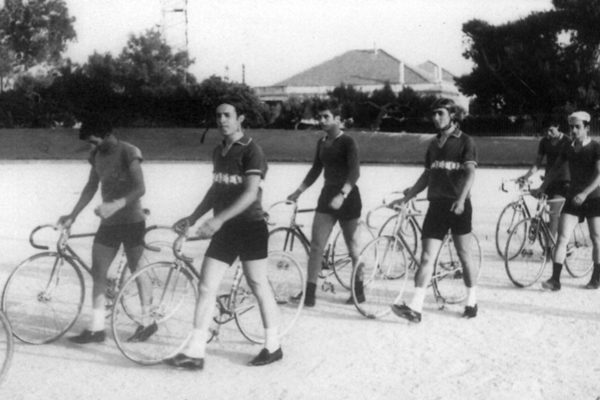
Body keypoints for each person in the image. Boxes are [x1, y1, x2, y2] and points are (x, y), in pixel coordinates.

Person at [164, 100, 281, 371]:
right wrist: (193, 218)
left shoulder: (252, 150)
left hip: (250, 226)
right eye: (218, 116)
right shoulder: (219, 150)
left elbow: (251, 193)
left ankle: (273, 345)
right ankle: (195, 352)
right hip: (225, 230)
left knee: (258, 284)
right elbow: (215, 190)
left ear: (240, 118)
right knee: (206, 286)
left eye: (227, 115)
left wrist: (217, 219)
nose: (222, 120)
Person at [58, 115, 154, 344]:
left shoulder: (129, 151)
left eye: (95, 141)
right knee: (98, 271)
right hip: (109, 223)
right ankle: (97, 327)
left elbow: (140, 188)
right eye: (90, 143)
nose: (93, 147)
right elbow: (91, 186)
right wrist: (73, 214)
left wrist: (116, 204)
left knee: (137, 269)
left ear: (108, 134)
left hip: (132, 220)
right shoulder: (96, 156)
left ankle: (148, 321)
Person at [390, 97, 479, 322]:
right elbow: (428, 174)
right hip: (437, 206)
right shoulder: (433, 144)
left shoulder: (465, 141)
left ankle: (472, 300)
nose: (436, 118)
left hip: (458, 206)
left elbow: (470, 173)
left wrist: (460, 201)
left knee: (464, 255)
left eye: (441, 113)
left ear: (453, 116)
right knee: (427, 256)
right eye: (434, 114)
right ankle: (416, 308)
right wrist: (407, 197)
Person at [287, 101, 363, 307]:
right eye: (319, 117)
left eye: (325, 117)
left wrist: (342, 194)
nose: (321, 121)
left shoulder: (348, 142)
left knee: (352, 247)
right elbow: (315, 170)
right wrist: (298, 191)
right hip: (326, 196)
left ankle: (359, 288)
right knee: (316, 246)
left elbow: (355, 172)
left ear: (338, 119)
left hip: (348, 198)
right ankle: (309, 294)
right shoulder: (322, 142)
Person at [538, 111, 600, 291]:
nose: (573, 130)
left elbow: (599, 175)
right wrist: (542, 187)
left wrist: (585, 193)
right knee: (562, 237)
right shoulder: (568, 148)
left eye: (577, 126)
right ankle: (555, 280)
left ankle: (596, 278)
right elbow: (554, 170)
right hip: (573, 198)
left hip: (594, 198)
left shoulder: (596, 147)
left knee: (596, 238)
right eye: (571, 126)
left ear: (586, 128)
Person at [518, 116, 571, 239]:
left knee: (553, 215)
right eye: (545, 131)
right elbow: (537, 164)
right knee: (542, 212)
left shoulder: (566, 142)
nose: (548, 133)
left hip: (563, 182)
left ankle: (549, 250)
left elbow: (560, 166)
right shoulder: (544, 142)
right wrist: (525, 177)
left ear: (558, 126)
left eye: (550, 130)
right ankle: (551, 237)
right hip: (549, 181)